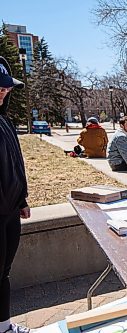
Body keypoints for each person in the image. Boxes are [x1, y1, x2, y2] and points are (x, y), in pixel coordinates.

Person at [0, 56, 31, 333]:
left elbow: (15, 164)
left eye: (5, 87)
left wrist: (22, 200)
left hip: (10, 213)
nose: (3, 92)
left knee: (3, 275)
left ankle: (4, 326)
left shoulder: (5, 123)